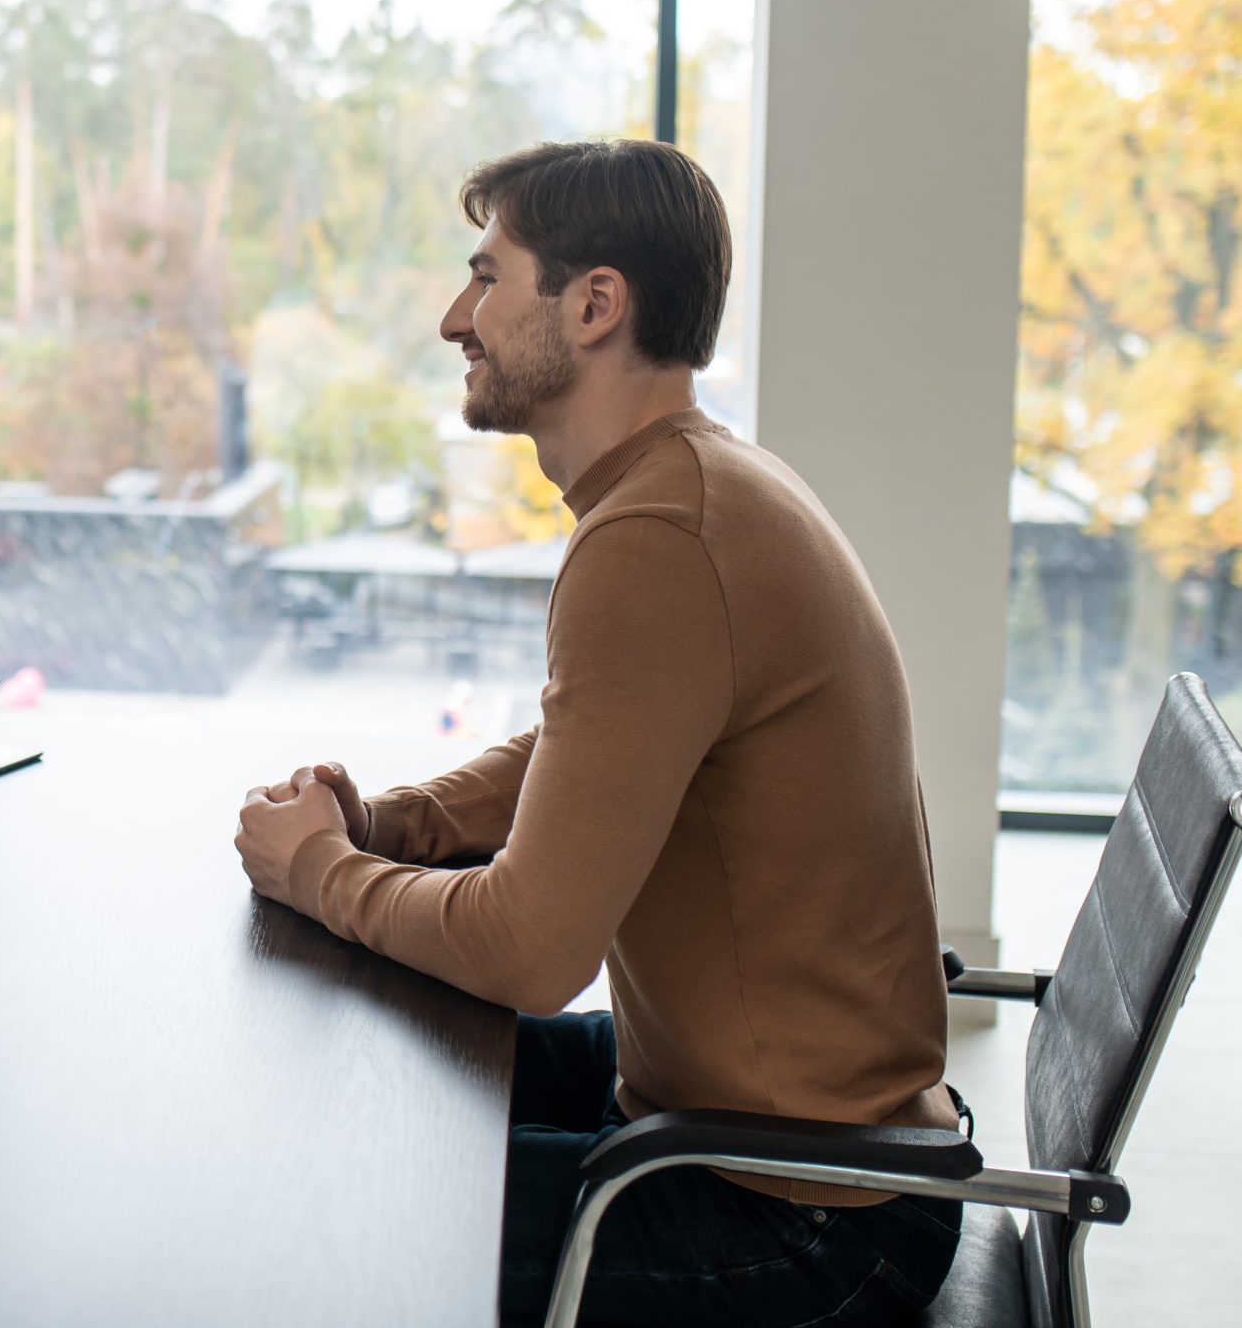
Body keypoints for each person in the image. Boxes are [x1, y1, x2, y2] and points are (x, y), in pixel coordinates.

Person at [233, 140, 962, 1326]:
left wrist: (320, 869)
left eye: (485, 277)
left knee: (334, 1227)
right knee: (387, 1073)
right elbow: (586, 742)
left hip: (804, 1218)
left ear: (593, 302)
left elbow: (528, 949)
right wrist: (388, 824)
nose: (451, 317)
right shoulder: (693, 483)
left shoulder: (661, 538)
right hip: (764, 1130)